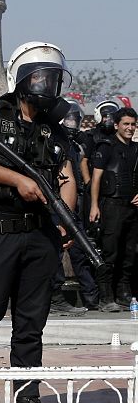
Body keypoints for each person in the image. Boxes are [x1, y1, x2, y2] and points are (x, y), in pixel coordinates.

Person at [0, 42, 76, 403]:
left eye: (54, 77)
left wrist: (65, 216)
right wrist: (18, 179)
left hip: (40, 236)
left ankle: (27, 397)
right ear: (23, 78)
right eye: (41, 76)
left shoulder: (54, 127)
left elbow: (66, 175)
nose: (48, 84)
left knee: (31, 323)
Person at [49, 99, 99, 314]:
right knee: (56, 252)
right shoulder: (53, 142)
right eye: (68, 118)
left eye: (75, 119)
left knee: (81, 252)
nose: (72, 123)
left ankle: (92, 298)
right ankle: (55, 297)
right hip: (57, 206)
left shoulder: (77, 144)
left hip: (75, 204)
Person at [89, 107, 138, 311]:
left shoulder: (136, 149)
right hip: (111, 206)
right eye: (125, 124)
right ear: (117, 125)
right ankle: (105, 297)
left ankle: (124, 293)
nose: (129, 128)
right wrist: (94, 206)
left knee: (129, 253)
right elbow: (96, 179)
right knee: (109, 252)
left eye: (133, 124)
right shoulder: (106, 147)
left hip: (132, 209)